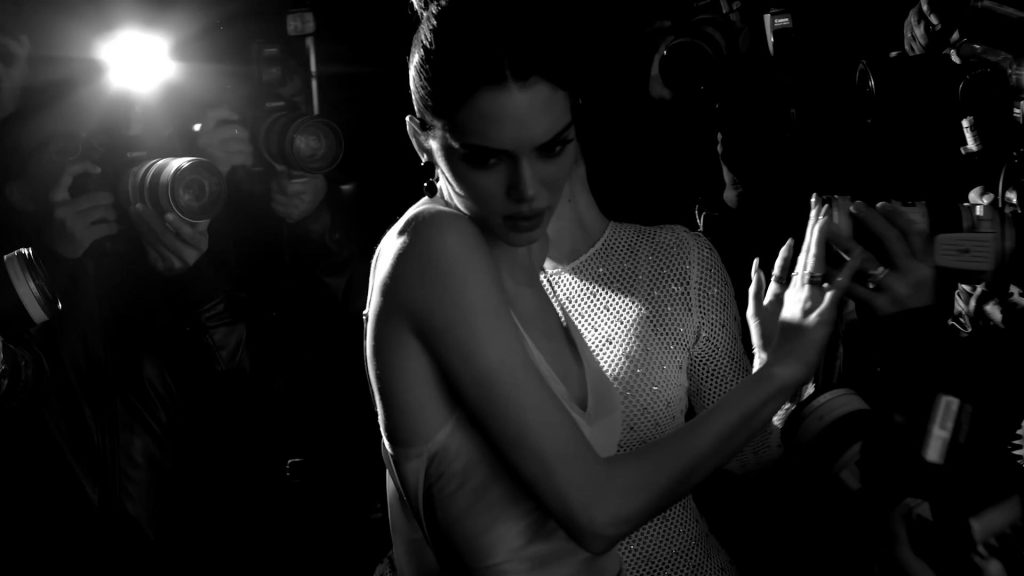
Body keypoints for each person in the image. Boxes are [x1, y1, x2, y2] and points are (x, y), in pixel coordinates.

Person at [364, 1, 860, 574]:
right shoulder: (432, 244)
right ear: (420, 140)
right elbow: (595, 512)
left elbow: (740, 460)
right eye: (484, 159)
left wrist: (776, 379)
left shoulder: (522, 255)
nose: (528, 190)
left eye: (551, 147)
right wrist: (777, 375)